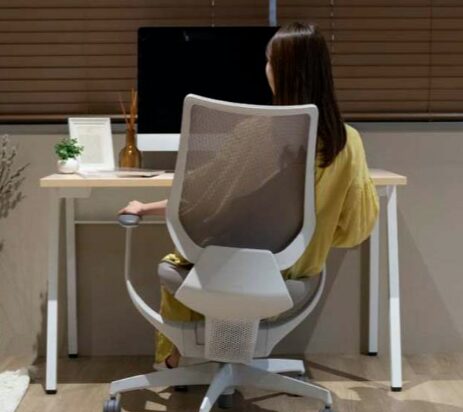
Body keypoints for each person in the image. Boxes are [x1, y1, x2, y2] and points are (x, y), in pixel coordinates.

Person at [119, 22, 379, 369]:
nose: (265, 68)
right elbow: (355, 230)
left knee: (185, 262)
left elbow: (200, 200)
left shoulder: (255, 133)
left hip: (225, 272)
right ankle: (221, 360)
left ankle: (178, 358)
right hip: (291, 280)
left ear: (281, 71)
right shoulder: (348, 143)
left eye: (269, 61)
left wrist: (144, 207)